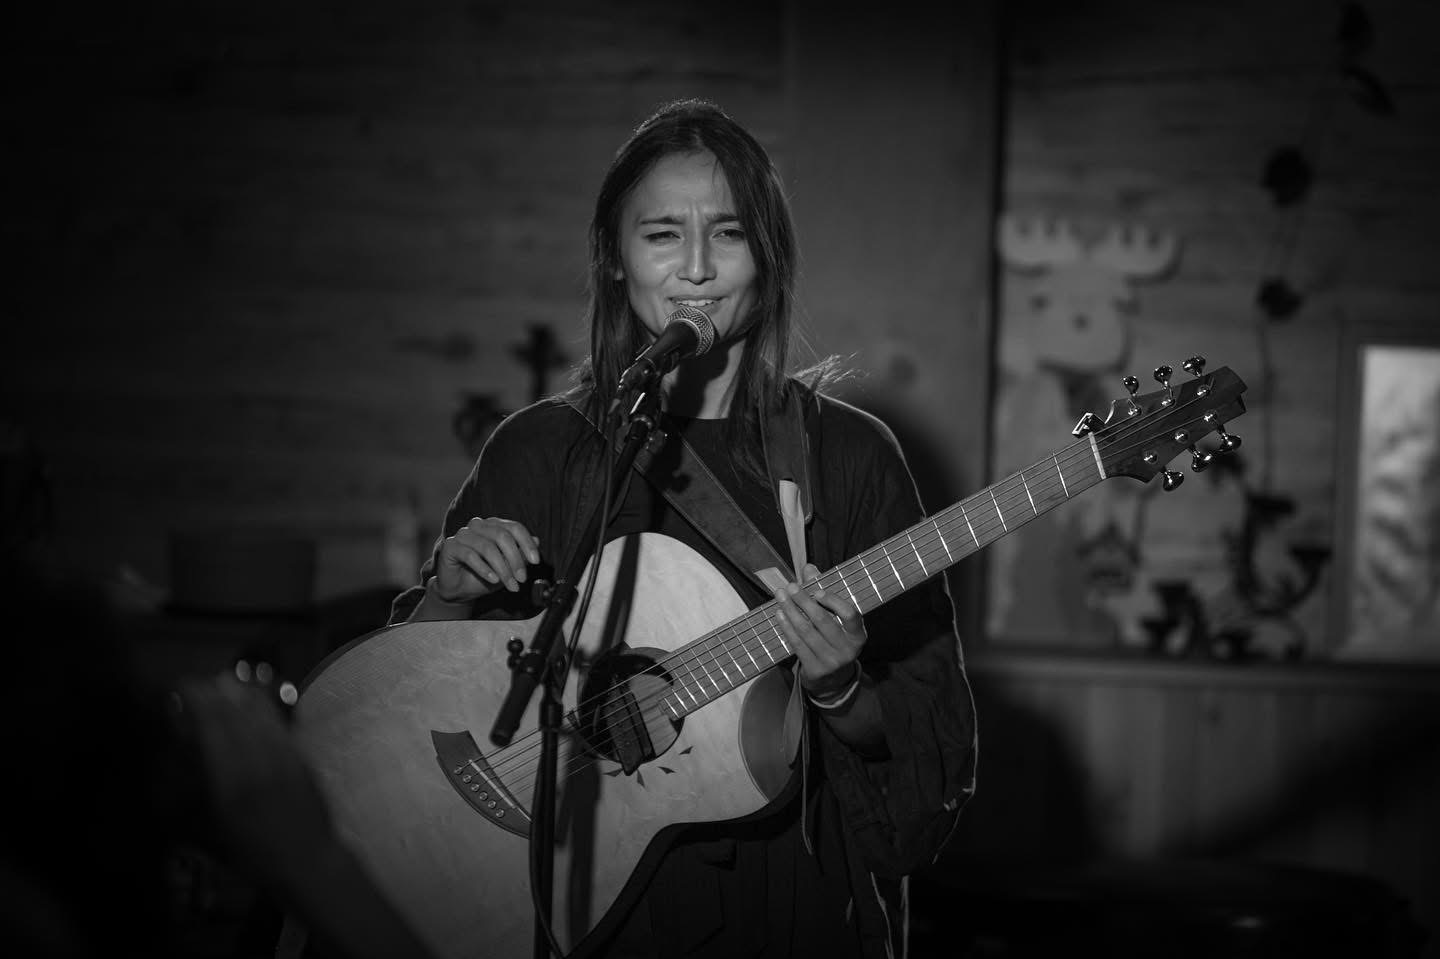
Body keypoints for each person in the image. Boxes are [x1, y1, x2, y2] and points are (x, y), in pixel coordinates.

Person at [392, 98, 977, 958]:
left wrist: (839, 691)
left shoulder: (848, 456)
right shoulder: (539, 449)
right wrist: (448, 598)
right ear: (615, 257)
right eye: (663, 233)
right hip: (567, 891)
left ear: (767, 257)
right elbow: (402, 708)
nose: (697, 267)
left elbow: (928, 735)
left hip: (784, 905)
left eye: (729, 233)